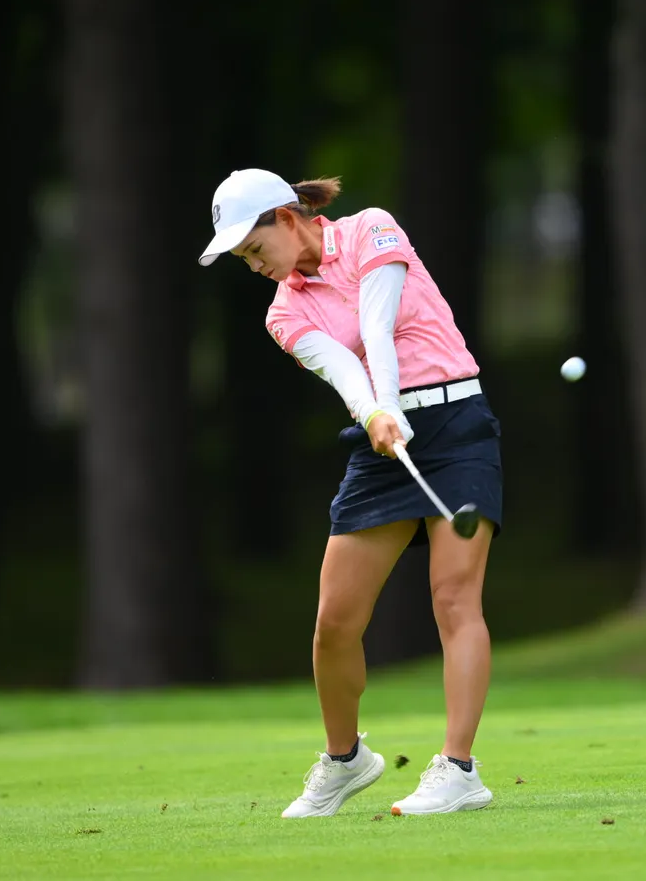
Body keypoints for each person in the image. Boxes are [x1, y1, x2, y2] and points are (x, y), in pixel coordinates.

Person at [197, 169, 503, 818]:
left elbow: (376, 323)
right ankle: (345, 759)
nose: (254, 265)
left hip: (456, 426)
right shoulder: (283, 311)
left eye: (254, 248)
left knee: (454, 598)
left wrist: (385, 404)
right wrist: (375, 414)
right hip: (380, 443)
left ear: (286, 218)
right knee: (334, 622)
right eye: (244, 258)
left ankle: (458, 770)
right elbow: (342, 367)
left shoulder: (372, 229)